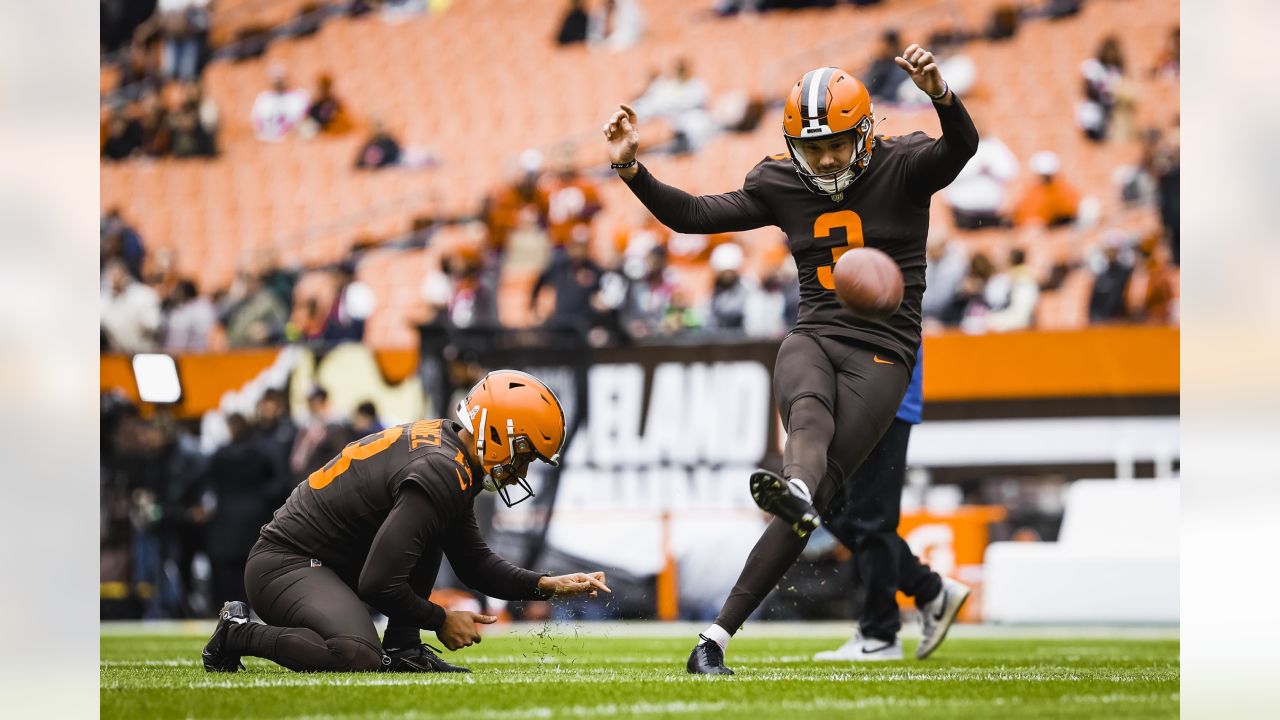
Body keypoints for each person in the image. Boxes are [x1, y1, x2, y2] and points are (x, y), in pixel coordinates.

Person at [603, 45, 975, 675]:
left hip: (883, 354)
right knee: (805, 420)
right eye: (813, 146)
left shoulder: (904, 164)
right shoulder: (781, 180)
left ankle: (723, 628)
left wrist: (941, 94)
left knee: (832, 491)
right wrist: (632, 169)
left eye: (836, 143)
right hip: (816, 331)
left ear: (863, 133)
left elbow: (959, 148)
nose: (825, 158)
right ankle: (790, 500)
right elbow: (694, 216)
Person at [201, 371, 610, 673]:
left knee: (433, 530)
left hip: (326, 561)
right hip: (286, 563)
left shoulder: (453, 458)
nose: (521, 469)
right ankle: (236, 633)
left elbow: (474, 564)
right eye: (523, 453)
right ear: (497, 432)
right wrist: (440, 620)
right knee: (357, 654)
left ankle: (403, 648)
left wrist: (547, 585)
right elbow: (379, 584)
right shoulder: (442, 469)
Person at [815, 348, 958, 661]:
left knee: (871, 516)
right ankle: (930, 590)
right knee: (827, 502)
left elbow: (886, 304)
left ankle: (880, 632)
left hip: (882, 384)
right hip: (851, 389)